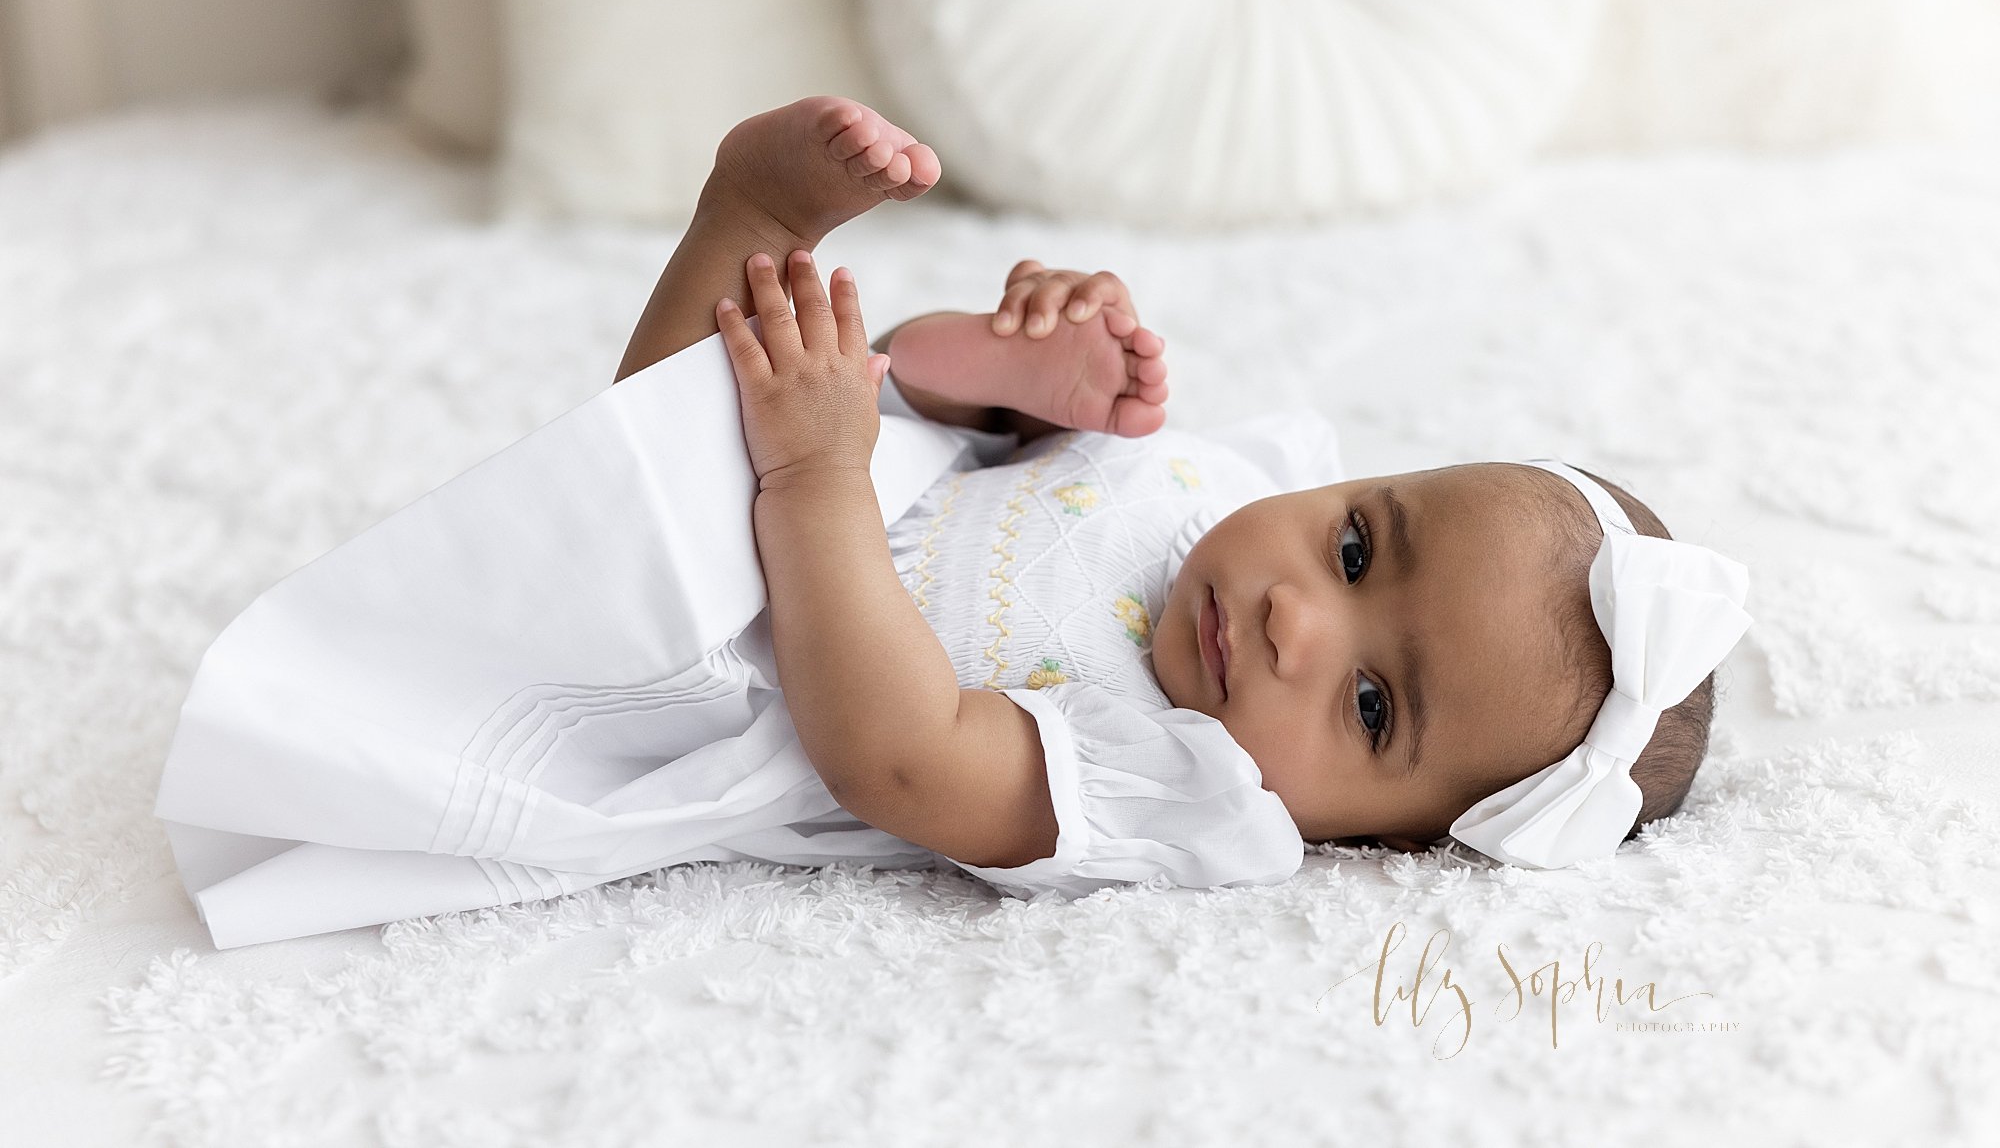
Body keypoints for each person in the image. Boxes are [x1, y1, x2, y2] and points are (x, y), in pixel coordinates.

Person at [154, 97, 1752, 949]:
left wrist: (815, 483)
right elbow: (941, 413)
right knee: (786, 390)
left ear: (1379, 840)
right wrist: (1017, 367)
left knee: (659, 527)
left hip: (776, 658)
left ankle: (745, 234)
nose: (1294, 619)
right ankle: (763, 230)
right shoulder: (1211, 484)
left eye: (1373, 701)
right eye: (1356, 546)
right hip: (868, 471)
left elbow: (906, 757)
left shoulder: (1187, 790)